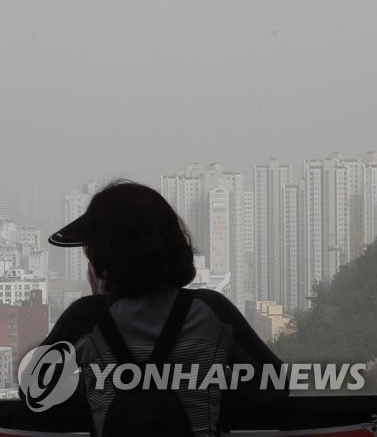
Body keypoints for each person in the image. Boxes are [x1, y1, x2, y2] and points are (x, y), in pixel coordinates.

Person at [34, 180, 286, 437]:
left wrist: (93, 391)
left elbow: (35, 389)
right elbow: (273, 384)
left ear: (103, 259)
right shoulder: (212, 310)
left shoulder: (87, 317)